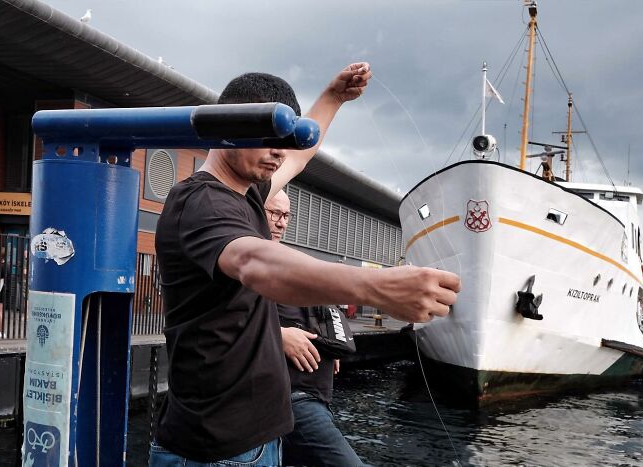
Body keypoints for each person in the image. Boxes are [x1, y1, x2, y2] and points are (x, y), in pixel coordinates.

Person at [152, 62, 461, 467]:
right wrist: (377, 287)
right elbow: (254, 261)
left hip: (254, 440)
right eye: (269, 137)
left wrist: (333, 98)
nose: (279, 151)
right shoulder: (202, 203)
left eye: (285, 138)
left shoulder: (245, 193)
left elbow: (300, 156)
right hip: (218, 452)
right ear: (227, 127)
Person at [266, 189, 363, 466]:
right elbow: (224, 321)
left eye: (286, 215)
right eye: (274, 213)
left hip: (315, 397)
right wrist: (279, 336)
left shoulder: (287, 261)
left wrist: (328, 347)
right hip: (293, 399)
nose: (281, 222)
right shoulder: (247, 263)